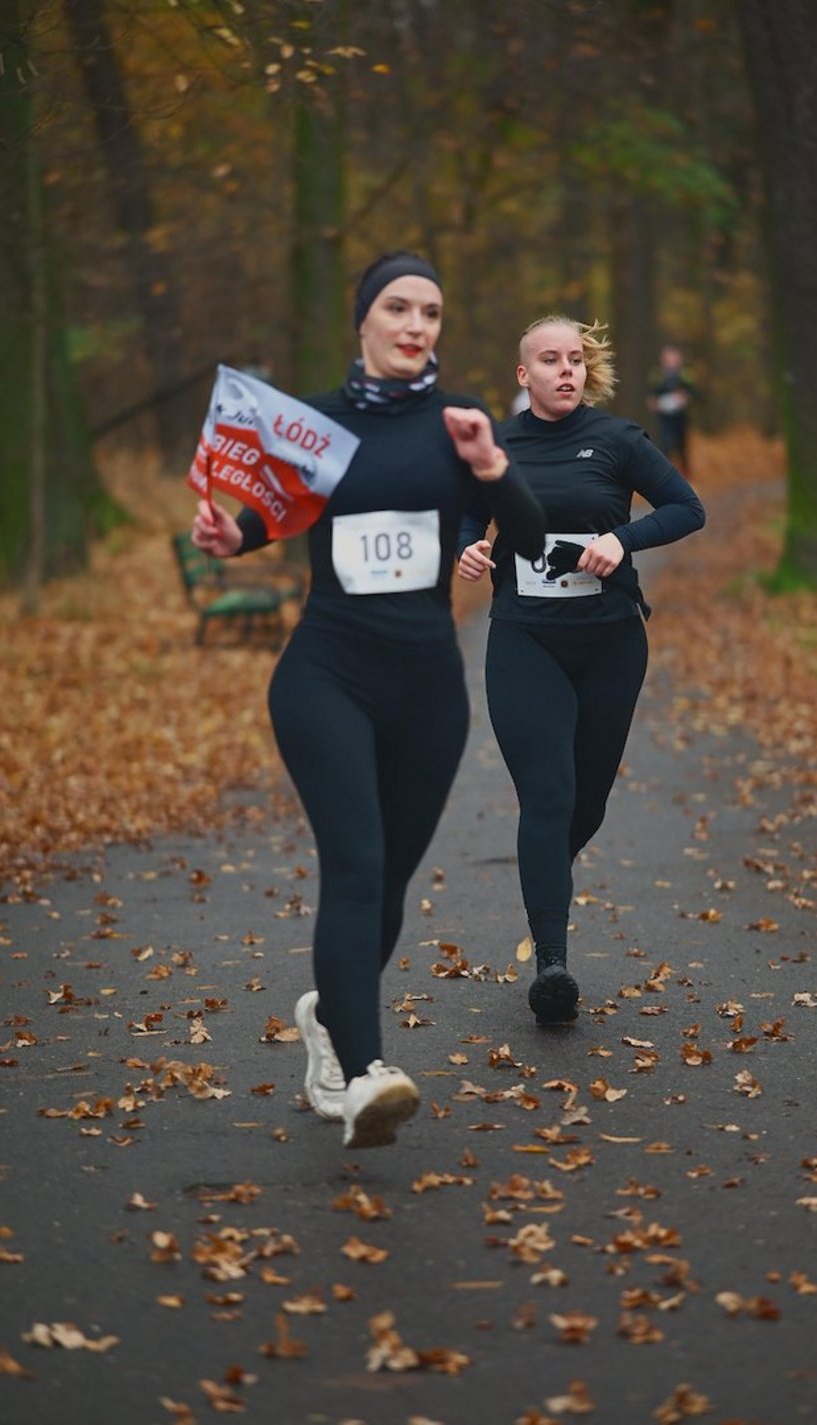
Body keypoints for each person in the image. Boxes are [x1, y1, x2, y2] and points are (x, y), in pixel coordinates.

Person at [191, 253, 545, 1147]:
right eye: (398, 307)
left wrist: (494, 466)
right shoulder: (313, 425)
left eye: (431, 310)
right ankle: (364, 1073)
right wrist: (230, 535)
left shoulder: (460, 426)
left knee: (385, 884)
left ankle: (328, 1022)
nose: (416, 324)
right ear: (365, 318)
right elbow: (269, 515)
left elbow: (533, 539)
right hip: (327, 675)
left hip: (429, 687)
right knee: (354, 863)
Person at [458, 315, 705, 1025]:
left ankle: (545, 881)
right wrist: (470, 548)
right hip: (524, 641)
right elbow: (466, 518)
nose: (565, 370)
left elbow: (689, 510)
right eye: (550, 359)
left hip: (610, 645)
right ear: (523, 374)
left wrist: (621, 541)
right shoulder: (497, 446)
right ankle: (553, 967)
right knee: (547, 794)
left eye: (575, 359)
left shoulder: (619, 439)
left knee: (584, 805)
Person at [647, 343, 696, 477]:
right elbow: (651, 395)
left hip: (681, 416)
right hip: (664, 417)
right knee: (665, 443)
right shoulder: (657, 375)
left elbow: (694, 393)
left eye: (673, 358)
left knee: (682, 445)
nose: (671, 361)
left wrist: (685, 397)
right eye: (668, 358)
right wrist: (654, 403)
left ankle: (686, 473)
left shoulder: (685, 374)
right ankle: (666, 473)